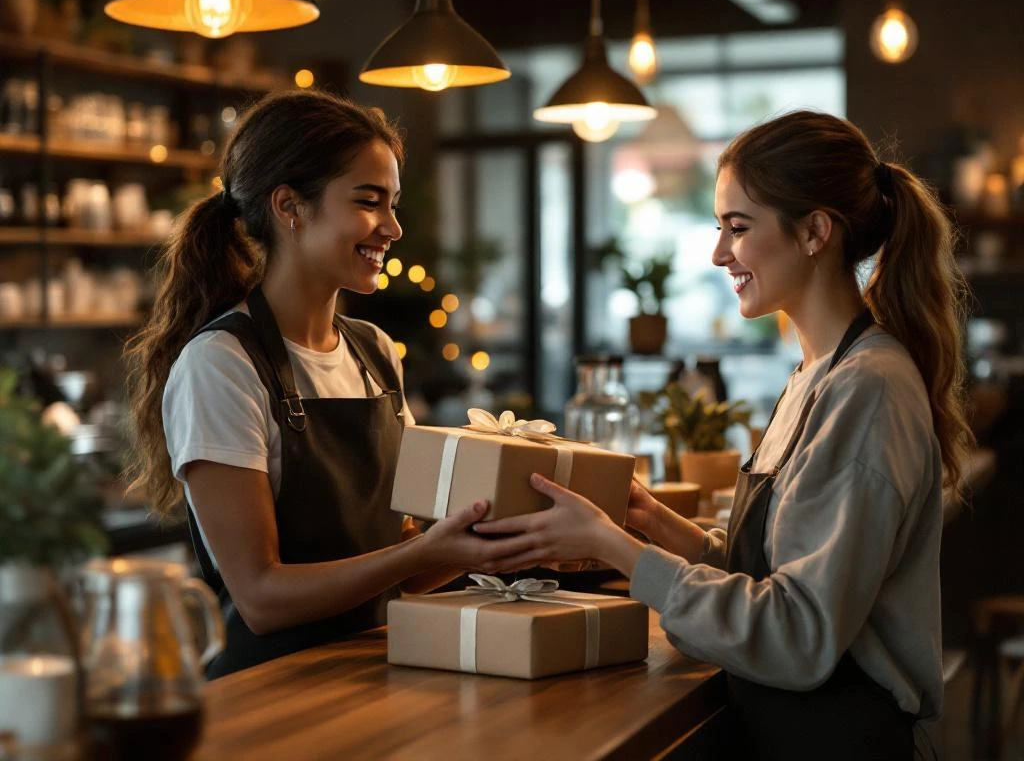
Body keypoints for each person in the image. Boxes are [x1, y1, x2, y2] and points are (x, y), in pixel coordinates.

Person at [475, 111, 973, 758]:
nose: (718, 254)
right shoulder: (816, 374)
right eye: (719, 228)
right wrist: (649, 520)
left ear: (815, 231)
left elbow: (797, 635)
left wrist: (612, 547)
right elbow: (771, 576)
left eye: (738, 228)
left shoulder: (867, 389)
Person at [124, 91, 520, 678]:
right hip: (271, 690)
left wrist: (500, 535)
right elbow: (261, 598)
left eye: (393, 204)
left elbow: (406, 561)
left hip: (376, 671)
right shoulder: (221, 364)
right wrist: (423, 551)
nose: (392, 227)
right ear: (290, 206)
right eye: (368, 201)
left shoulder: (375, 353)